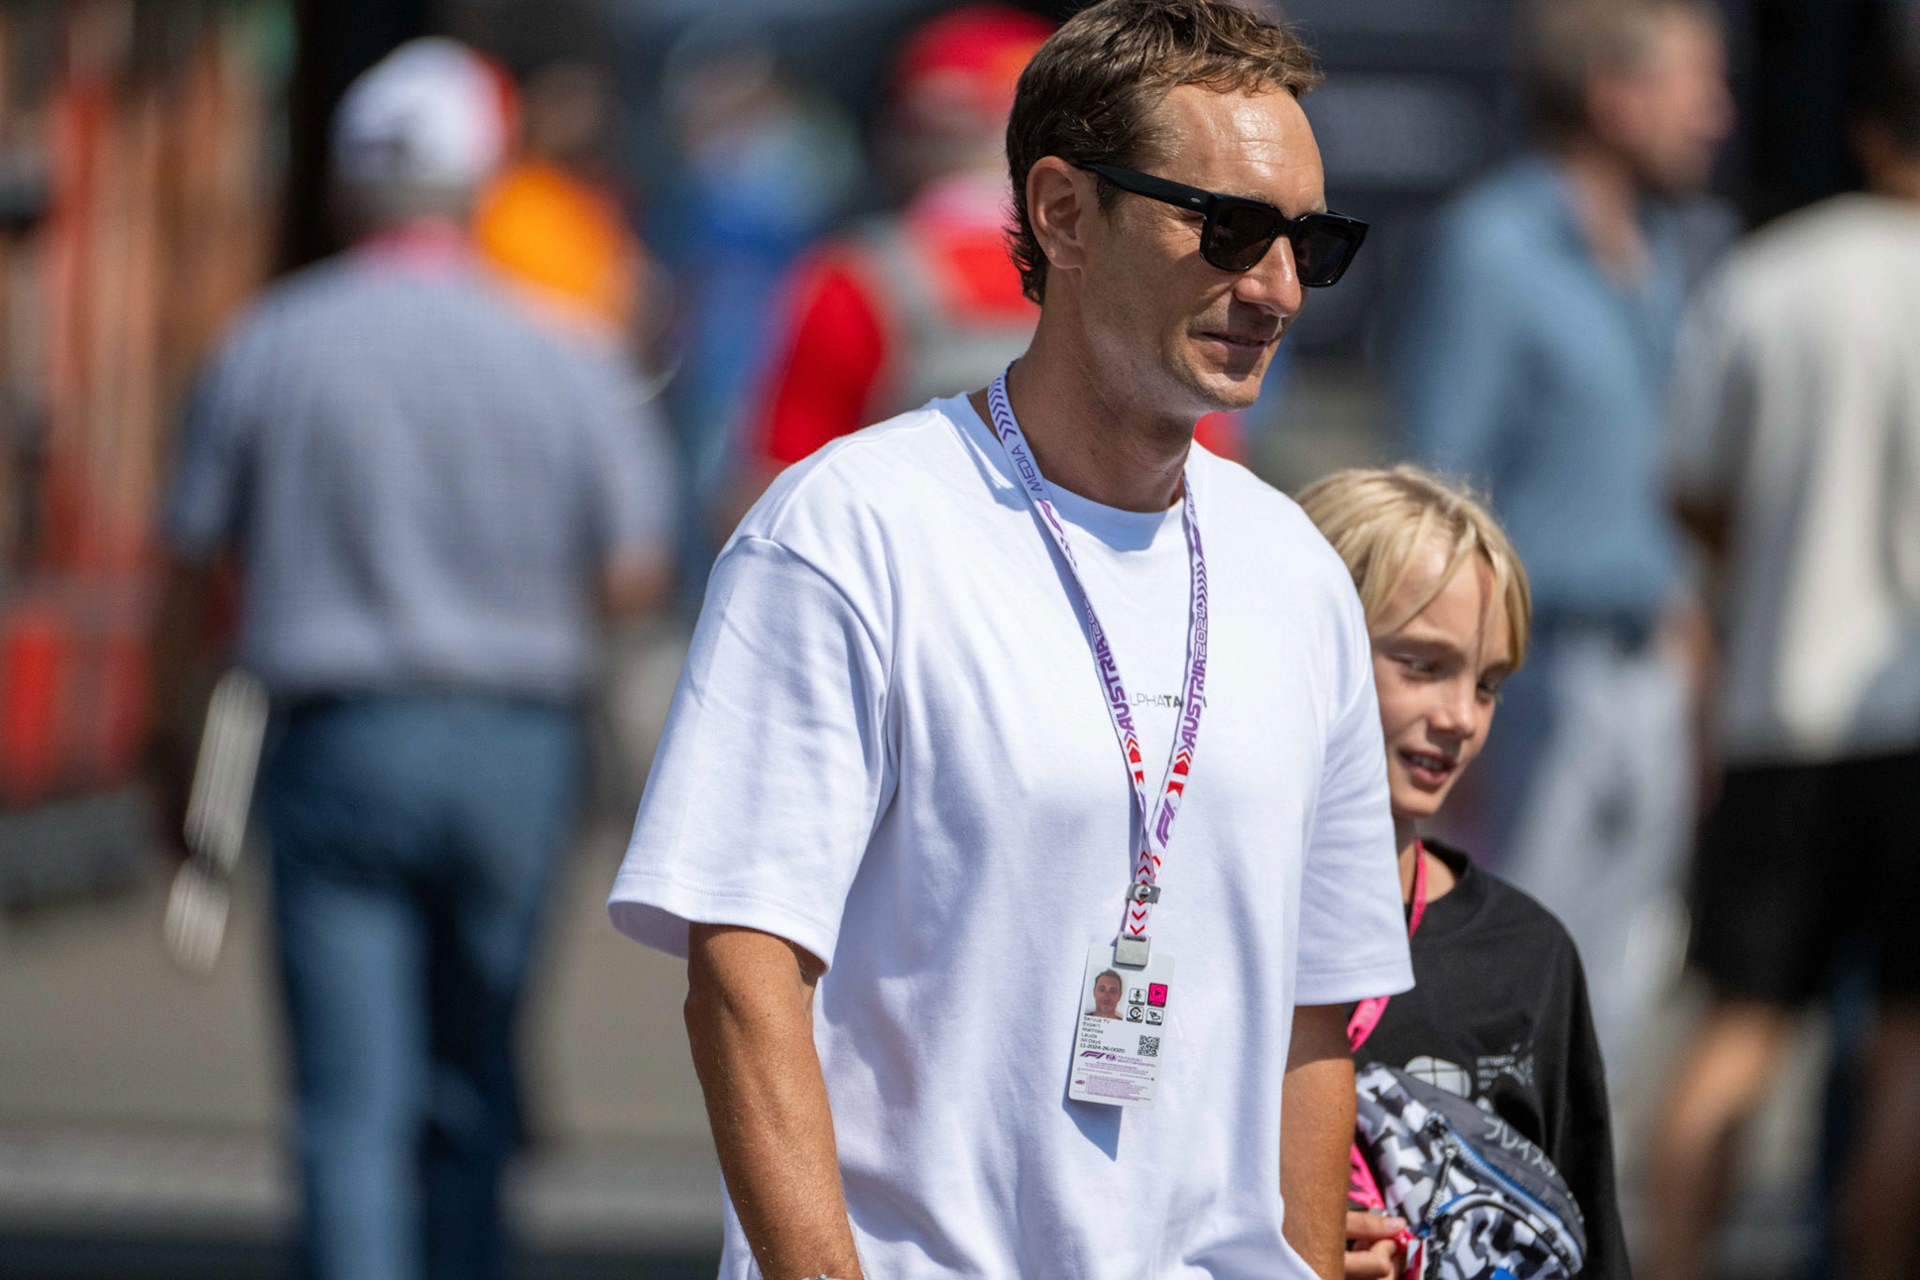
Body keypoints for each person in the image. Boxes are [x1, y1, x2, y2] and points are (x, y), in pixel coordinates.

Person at [605, 2, 1410, 1277]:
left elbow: (1319, 1015)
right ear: (1063, 212)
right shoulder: (848, 533)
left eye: (1312, 241)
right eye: (1230, 229)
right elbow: (744, 972)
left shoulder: (1297, 574)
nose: (1277, 286)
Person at [152, 38, 678, 1280]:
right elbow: (634, 571)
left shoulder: (269, 341)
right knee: (475, 1072)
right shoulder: (566, 350)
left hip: (336, 739)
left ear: (344, 186)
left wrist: (167, 744)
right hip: (516, 741)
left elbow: (186, 571)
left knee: (348, 1099)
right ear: (483, 185)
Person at [1381, 0, 1734, 1078]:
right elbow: (1436, 479)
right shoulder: (1492, 248)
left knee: (1618, 991)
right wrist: (1453, 680)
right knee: (1498, 965)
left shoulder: (1672, 249)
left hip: (1648, 667)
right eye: (1693, 84)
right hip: (1530, 678)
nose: (1716, 115)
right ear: (1613, 95)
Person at [1647, 25, 1920, 1280]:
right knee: (1911, 1048)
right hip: (1908, 721)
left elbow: (1696, 497)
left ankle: (1671, 1258)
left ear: (1870, 133)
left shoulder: (1765, 276)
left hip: (1778, 705)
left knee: (1739, 1023)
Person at [1295, 467, 1630, 1280]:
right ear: (1308, 642)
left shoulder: (1528, 955)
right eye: (1421, 664)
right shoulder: (1195, 917)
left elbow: (1589, 1240)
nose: (1461, 718)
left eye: (1488, 684)